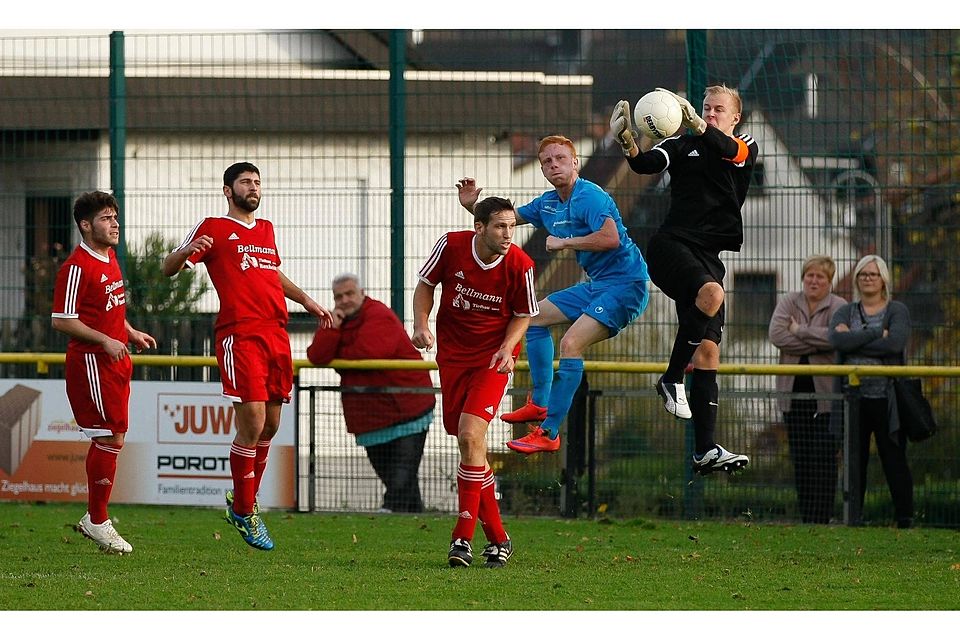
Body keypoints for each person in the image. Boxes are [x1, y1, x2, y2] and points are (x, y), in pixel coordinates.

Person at [162, 162, 333, 550]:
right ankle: (243, 508)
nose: (253, 187)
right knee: (252, 421)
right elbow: (167, 267)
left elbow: (272, 273)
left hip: (276, 333)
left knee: (271, 425)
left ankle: (242, 501)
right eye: (245, 182)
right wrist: (187, 251)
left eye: (257, 182)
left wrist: (306, 299)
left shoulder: (267, 230)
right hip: (240, 334)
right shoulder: (213, 226)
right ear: (228, 190)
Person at [456, 135, 649, 455]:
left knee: (571, 343)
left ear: (575, 163)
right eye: (547, 161)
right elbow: (504, 219)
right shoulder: (547, 203)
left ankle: (548, 432)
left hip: (627, 285)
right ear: (543, 169)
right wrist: (471, 206)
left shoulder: (591, 196)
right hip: (597, 285)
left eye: (560, 158)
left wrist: (565, 242)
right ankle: (540, 403)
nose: (553, 164)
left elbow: (610, 238)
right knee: (532, 318)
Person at [610, 85, 758, 475]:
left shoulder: (744, 144)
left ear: (735, 117)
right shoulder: (680, 145)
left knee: (709, 352)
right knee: (712, 293)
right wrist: (628, 142)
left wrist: (700, 127)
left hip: (707, 256)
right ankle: (672, 378)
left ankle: (704, 450)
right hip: (670, 246)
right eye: (706, 108)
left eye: (718, 109)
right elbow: (644, 164)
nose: (709, 114)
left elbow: (734, 154)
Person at [412, 196, 538, 568]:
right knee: (471, 448)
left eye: (512, 227)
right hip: (453, 358)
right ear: (479, 228)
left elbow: (523, 314)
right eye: (500, 227)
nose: (508, 234)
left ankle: (461, 538)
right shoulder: (451, 245)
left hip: (493, 360)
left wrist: (507, 347)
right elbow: (424, 285)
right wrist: (420, 323)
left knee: (470, 435)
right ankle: (498, 538)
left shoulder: (520, 264)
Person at [51, 191, 157, 553]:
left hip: (114, 358)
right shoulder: (76, 267)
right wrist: (106, 341)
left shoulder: (109, 257)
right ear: (85, 225)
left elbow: (107, 307)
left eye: (115, 217)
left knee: (116, 438)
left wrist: (127, 332)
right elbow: (62, 320)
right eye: (106, 218)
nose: (115, 224)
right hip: (92, 363)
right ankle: (97, 520)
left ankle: (95, 518)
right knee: (109, 438)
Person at [306, 273, 435, 513]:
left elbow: (367, 354)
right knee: (400, 481)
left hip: (408, 408)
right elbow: (316, 356)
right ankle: (415, 520)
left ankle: (389, 512)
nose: (344, 300)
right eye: (338, 296)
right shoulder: (337, 321)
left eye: (349, 294)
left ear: (362, 293)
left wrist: (335, 349)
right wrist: (332, 329)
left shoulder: (379, 314)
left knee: (400, 478)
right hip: (371, 416)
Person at [829, 255, 914, 528]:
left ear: (883, 280)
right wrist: (877, 334)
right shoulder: (845, 311)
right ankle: (854, 517)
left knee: (894, 458)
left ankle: (904, 519)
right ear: (856, 279)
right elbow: (837, 341)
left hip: (888, 399)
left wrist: (855, 339)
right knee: (855, 460)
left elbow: (895, 345)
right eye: (863, 274)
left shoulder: (896, 310)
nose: (867, 278)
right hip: (853, 399)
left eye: (873, 274)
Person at [768, 255, 847, 523]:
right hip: (794, 395)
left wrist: (799, 330)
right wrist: (817, 340)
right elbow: (777, 335)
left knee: (823, 456)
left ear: (829, 281)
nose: (814, 281)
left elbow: (838, 339)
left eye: (820, 277)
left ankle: (822, 516)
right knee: (800, 457)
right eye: (809, 276)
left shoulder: (840, 306)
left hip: (827, 397)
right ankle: (806, 518)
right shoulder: (789, 301)